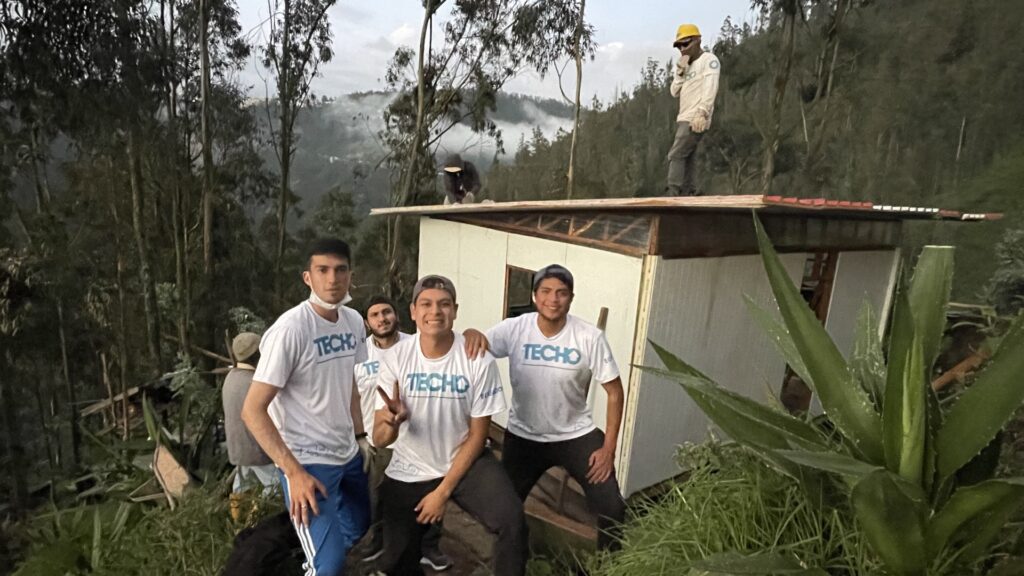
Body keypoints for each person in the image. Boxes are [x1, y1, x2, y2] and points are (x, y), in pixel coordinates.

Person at [372, 275, 526, 576]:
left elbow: (479, 434)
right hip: (411, 465)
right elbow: (379, 439)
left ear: (455, 311)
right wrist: (392, 421)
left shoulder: (476, 358)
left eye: (444, 305)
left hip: (466, 461)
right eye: (426, 304)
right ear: (413, 311)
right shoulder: (395, 359)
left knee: (513, 522)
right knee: (396, 559)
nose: (435, 312)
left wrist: (441, 493)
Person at [242, 238, 372, 576]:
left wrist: (360, 437)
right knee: (328, 567)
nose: (332, 279)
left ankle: (307, 561)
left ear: (350, 275)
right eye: (322, 270)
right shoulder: (290, 330)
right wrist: (293, 472)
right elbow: (253, 410)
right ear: (307, 278)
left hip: (347, 453)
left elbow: (351, 384)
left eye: (340, 270)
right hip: (308, 462)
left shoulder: (355, 321)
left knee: (359, 526)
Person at [484, 264, 626, 550]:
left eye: (562, 293)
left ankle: (609, 565)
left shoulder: (588, 337)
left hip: (576, 436)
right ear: (535, 296)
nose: (553, 299)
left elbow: (614, 392)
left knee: (612, 507)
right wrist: (474, 334)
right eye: (546, 291)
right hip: (524, 436)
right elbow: (473, 351)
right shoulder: (514, 329)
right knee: (503, 513)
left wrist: (608, 448)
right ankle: (513, 563)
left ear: (571, 298)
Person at [355, 295, 452, 572]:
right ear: (367, 322)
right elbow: (352, 395)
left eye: (387, 312)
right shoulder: (360, 354)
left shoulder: (418, 344)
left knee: (431, 495)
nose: (382, 318)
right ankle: (378, 543)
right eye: (375, 314)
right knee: (379, 496)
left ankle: (429, 547)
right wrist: (360, 435)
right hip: (380, 439)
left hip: (419, 438)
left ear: (397, 315)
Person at [222, 332, 278, 517]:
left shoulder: (230, 378)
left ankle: (237, 521)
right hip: (257, 450)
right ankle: (256, 519)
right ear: (258, 354)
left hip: (238, 449)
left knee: (241, 486)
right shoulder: (254, 383)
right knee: (274, 486)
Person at [666, 23, 721, 196]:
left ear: (697, 41)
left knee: (676, 154)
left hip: (696, 116)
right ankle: (689, 190)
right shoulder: (685, 64)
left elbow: (711, 87)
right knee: (688, 156)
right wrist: (680, 72)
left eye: (686, 44)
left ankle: (673, 189)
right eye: (679, 46)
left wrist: (703, 112)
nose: (682, 49)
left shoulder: (709, 60)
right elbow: (674, 91)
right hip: (683, 116)